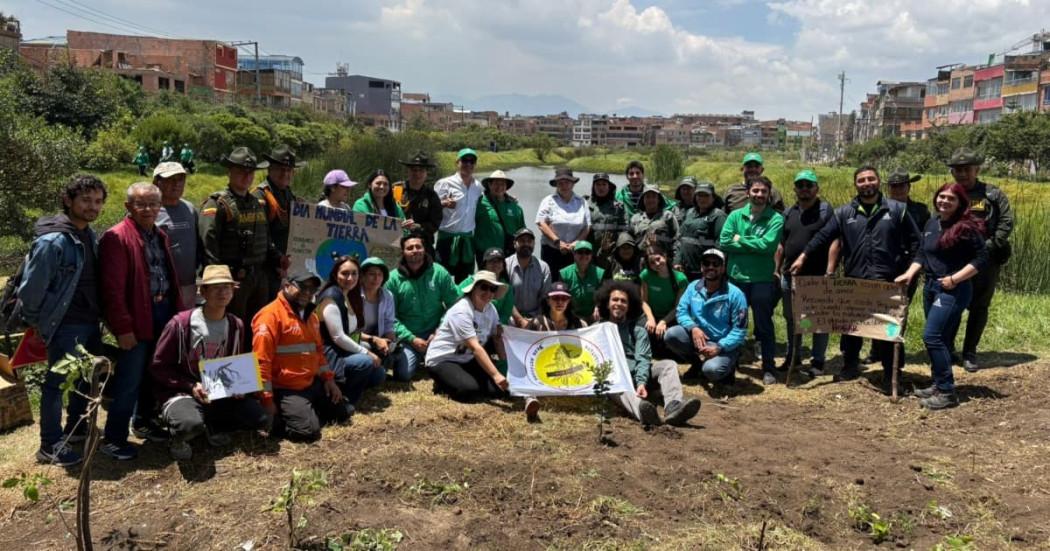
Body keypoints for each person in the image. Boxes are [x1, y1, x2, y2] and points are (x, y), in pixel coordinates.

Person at [791, 166, 920, 394]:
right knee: (851, 328)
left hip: (888, 282)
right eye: (861, 180)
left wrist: (910, 271)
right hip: (855, 281)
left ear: (878, 181)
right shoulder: (843, 213)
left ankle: (891, 374)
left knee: (889, 331)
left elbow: (917, 243)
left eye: (871, 178)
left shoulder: (897, 209)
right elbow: (823, 236)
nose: (866, 183)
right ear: (856, 185)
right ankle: (850, 366)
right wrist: (804, 256)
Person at [19, 175, 107, 466]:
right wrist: (38, 324)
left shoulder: (88, 235)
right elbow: (31, 291)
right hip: (65, 324)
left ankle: (75, 428)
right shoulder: (53, 240)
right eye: (86, 200)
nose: (92, 207)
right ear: (68, 200)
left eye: (98, 201)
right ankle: (49, 444)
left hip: (89, 321)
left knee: (84, 376)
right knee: (56, 384)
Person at [99, 182, 184, 459]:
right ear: (128, 206)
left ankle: (143, 422)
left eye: (153, 204)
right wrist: (122, 328)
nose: (148, 209)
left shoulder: (159, 234)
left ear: (160, 206)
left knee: (153, 372)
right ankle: (114, 438)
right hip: (135, 317)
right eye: (141, 204)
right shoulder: (116, 237)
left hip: (162, 311)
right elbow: (112, 291)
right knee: (129, 378)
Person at [151, 265, 269, 460]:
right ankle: (179, 437)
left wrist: (238, 387)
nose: (222, 293)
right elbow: (159, 367)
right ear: (202, 291)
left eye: (227, 287)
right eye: (215, 288)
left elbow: (233, 365)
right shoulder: (180, 324)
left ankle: (213, 425)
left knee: (259, 418)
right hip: (182, 392)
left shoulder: (236, 325)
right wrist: (190, 386)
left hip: (217, 391)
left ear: (233, 291)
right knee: (189, 425)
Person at [896, 183, 988, 410]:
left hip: (954, 289)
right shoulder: (932, 223)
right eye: (941, 197)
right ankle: (938, 383)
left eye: (951, 198)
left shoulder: (966, 227)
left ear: (960, 203)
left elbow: (981, 259)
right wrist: (909, 273)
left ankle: (947, 392)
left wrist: (955, 279)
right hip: (931, 287)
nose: (944, 201)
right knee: (942, 338)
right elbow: (922, 253)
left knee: (932, 336)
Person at [254, 272, 350, 441]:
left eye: (312, 289)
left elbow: (318, 352)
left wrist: (329, 379)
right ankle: (279, 419)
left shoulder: (311, 316)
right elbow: (261, 362)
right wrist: (267, 401)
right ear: (286, 286)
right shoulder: (270, 316)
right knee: (308, 433)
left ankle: (307, 412)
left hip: (310, 383)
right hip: (285, 388)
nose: (307, 292)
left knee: (343, 413)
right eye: (302, 287)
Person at [596, 281, 701, 427]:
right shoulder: (597, 330)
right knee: (614, 384)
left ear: (629, 306)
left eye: (623, 301)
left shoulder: (638, 331)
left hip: (640, 374)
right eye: (615, 300)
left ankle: (674, 407)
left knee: (668, 364)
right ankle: (643, 412)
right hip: (617, 379)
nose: (619, 304)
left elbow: (643, 358)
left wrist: (641, 382)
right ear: (607, 304)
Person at [945, 148, 1014, 372]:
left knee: (979, 306)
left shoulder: (992, 194)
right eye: (958, 170)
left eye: (967, 169)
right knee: (952, 305)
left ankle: (969, 353)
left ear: (977, 170)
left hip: (986, 261)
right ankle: (948, 349)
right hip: (956, 261)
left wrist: (989, 247)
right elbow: (940, 219)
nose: (962, 174)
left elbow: (1006, 222)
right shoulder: (948, 193)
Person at [199, 147, 277, 329]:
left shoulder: (258, 203)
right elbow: (208, 244)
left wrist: (278, 258)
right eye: (241, 171)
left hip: (259, 277)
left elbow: (265, 238)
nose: (247, 176)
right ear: (230, 172)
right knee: (234, 327)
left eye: (250, 172)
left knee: (258, 327)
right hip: (233, 279)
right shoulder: (216, 204)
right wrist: (220, 281)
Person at [719, 176, 784, 385]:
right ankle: (729, 365)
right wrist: (754, 244)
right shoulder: (735, 215)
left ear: (769, 194)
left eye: (763, 191)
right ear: (748, 193)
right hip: (736, 278)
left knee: (764, 325)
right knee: (734, 323)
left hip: (762, 279)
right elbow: (724, 241)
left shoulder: (776, 218)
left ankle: (768, 367)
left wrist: (740, 239)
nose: (759, 195)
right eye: (755, 191)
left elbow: (768, 246)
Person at [776, 170, 834, 375]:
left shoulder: (826, 211)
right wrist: (777, 269)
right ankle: (793, 357)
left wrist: (830, 270)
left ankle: (818, 361)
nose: (804, 189)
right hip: (789, 277)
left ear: (817, 188)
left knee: (819, 319)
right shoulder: (788, 213)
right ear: (795, 189)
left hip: (817, 276)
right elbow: (781, 245)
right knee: (792, 319)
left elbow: (835, 241)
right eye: (800, 185)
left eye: (809, 185)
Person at [664, 249, 749, 384]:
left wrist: (719, 347)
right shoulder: (693, 287)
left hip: (723, 343)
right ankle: (696, 364)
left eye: (716, 264)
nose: (710, 267)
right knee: (671, 335)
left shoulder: (735, 294)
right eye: (706, 263)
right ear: (701, 267)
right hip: (699, 338)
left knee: (711, 370)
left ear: (723, 268)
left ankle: (729, 366)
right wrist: (693, 327)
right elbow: (681, 311)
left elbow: (740, 330)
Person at [385, 232, 460, 381]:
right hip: (409, 336)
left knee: (458, 362)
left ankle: (428, 354)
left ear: (424, 249)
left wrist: (439, 330)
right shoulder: (392, 279)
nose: (415, 250)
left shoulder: (439, 272)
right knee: (403, 375)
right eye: (409, 248)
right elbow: (389, 317)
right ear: (403, 252)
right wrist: (411, 339)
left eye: (418, 247)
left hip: (437, 333)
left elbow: (454, 304)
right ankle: (418, 354)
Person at [425, 271, 510, 402]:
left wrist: (505, 368)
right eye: (484, 287)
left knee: (498, 392)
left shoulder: (491, 309)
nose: (488, 292)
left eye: (492, 289)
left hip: (466, 358)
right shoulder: (462, 310)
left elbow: (497, 338)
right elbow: (475, 348)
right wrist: (496, 375)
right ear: (473, 288)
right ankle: (441, 383)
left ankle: (454, 379)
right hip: (443, 359)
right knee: (469, 391)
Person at [316, 256, 386, 411]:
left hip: (342, 351)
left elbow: (352, 332)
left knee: (379, 374)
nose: (350, 278)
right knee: (365, 361)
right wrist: (367, 352)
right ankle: (345, 400)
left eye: (354, 273)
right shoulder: (331, 297)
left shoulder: (348, 294)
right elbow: (338, 337)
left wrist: (372, 342)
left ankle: (344, 385)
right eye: (345, 273)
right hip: (328, 356)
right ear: (335, 275)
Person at [522, 281, 588, 421]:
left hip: (569, 370)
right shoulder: (537, 323)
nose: (560, 302)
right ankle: (530, 400)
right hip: (542, 369)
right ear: (548, 300)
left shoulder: (579, 324)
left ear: (569, 301)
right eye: (555, 298)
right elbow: (525, 350)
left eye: (564, 298)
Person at [256, 144, 305, 296]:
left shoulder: (289, 194)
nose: (285, 173)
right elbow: (262, 236)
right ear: (270, 169)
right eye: (280, 169)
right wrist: (278, 261)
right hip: (267, 268)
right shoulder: (261, 196)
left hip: (286, 267)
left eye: (289, 170)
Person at [154, 161, 200, 309]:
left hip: (188, 284)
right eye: (170, 179)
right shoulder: (149, 210)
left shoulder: (190, 208)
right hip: (159, 287)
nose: (177, 184)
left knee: (185, 321)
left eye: (180, 179)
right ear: (157, 182)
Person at [434, 148, 485, 282]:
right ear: (457, 162)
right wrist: (443, 203)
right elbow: (432, 206)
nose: (468, 164)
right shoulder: (444, 183)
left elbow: (489, 200)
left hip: (467, 240)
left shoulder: (478, 187)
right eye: (465, 160)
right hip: (446, 238)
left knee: (464, 281)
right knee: (441, 277)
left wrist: (508, 197)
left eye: (472, 161)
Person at [357, 257, 407, 381]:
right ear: (362, 276)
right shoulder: (354, 295)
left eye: (380, 275)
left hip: (379, 339)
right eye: (371, 274)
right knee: (366, 347)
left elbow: (389, 323)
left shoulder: (387, 295)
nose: (376, 278)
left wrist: (390, 340)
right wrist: (375, 340)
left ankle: (381, 366)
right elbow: (350, 331)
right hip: (360, 339)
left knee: (403, 374)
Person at [536, 167, 591, 276]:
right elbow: (541, 223)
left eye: (567, 183)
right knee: (550, 281)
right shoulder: (548, 201)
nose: (564, 186)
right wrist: (558, 242)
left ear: (573, 184)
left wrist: (576, 243)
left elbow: (587, 226)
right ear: (556, 185)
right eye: (560, 183)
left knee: (572, 281)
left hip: (574, 251)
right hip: (551, 250)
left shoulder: (581, 202)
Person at [639, 245, 688, 356]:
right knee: (642, 329)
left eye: (658, 259)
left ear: (664, 256)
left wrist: (663, 321)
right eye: (652, 263)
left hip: (671, 317)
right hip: (652, 315)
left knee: (668, 336)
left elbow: (678, 307)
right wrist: (650, 318)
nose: (656, 264)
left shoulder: (680, 279)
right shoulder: (646, 275)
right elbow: (644, 301)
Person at [674, 181, 726, 282]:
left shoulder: (718, 216)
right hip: (684, 269)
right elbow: (680, 239)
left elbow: (721, 244)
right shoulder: (689, 212)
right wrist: (677, 261)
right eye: (699, 195)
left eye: (706, 195)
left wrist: (713, 268)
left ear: (713, 198)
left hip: (704, 271)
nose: (702, 199)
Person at [473, 170, 525, 262]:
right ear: (489, 185)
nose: (499, 187)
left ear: (506, 187)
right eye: (496, 183)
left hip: (509, 253)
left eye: (502, 184)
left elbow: (521, 231)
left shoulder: (515, 207)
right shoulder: (479, 203)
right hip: (485, 253)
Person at [393, 151, 443, 247]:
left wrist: (418, 226)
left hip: (422, 244)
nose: (417, 173)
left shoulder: (431, 196)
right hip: (396, 242)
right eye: (414, 170)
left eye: (421, 170)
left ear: (426, 173)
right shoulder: (396, 189)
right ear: (408, 171)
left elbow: (435, 223)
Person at [505, 228, 552, 326]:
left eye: (529, 241)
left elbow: (544, 298)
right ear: (514, 244)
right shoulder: (506, 265)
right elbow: (504, 298)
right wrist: (519, 319)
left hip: (536, 317)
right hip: (510, 317)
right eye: (522, 241)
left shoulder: (543, 267)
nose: (526, 244)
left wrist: (534, 319)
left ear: (534, 244)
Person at [460, 248, 519, 325]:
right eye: (491, 261)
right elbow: (455, 299)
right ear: (484, 265)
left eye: (499, 261)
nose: (495, 264)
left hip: (494, 325)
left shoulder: (507, 288)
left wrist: (493, 326)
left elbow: (505, 314)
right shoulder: (470, 281)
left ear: (503, 266)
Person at [587, 173, 628, 270]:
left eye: (604, 184)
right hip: (588, 253)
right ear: (593, 187)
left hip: (611, 254)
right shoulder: (585, 204)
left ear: (609, 187)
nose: (601, 187)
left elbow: (624, 230)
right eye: (598, 184)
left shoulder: (618, 207)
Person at [560, 241, 605, 322]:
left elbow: (602, 296)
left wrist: (597, 307)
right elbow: (562, 298)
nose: (584, 255)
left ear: (591, 255)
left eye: (587, 252)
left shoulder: (600, 273)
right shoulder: (564, 274)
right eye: (580, 252)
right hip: (571, 318)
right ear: (574, 254)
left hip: (593, 317)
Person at [629, 185, 679, 257]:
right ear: (643, 200)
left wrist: (675, 258)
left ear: (659, 199)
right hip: (640, 258)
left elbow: (676, 238)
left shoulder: (668, 216)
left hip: (662, 258)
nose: (650, 200)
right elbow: (630, 241)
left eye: (654, 197)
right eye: (647, 197)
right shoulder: (635, 218)